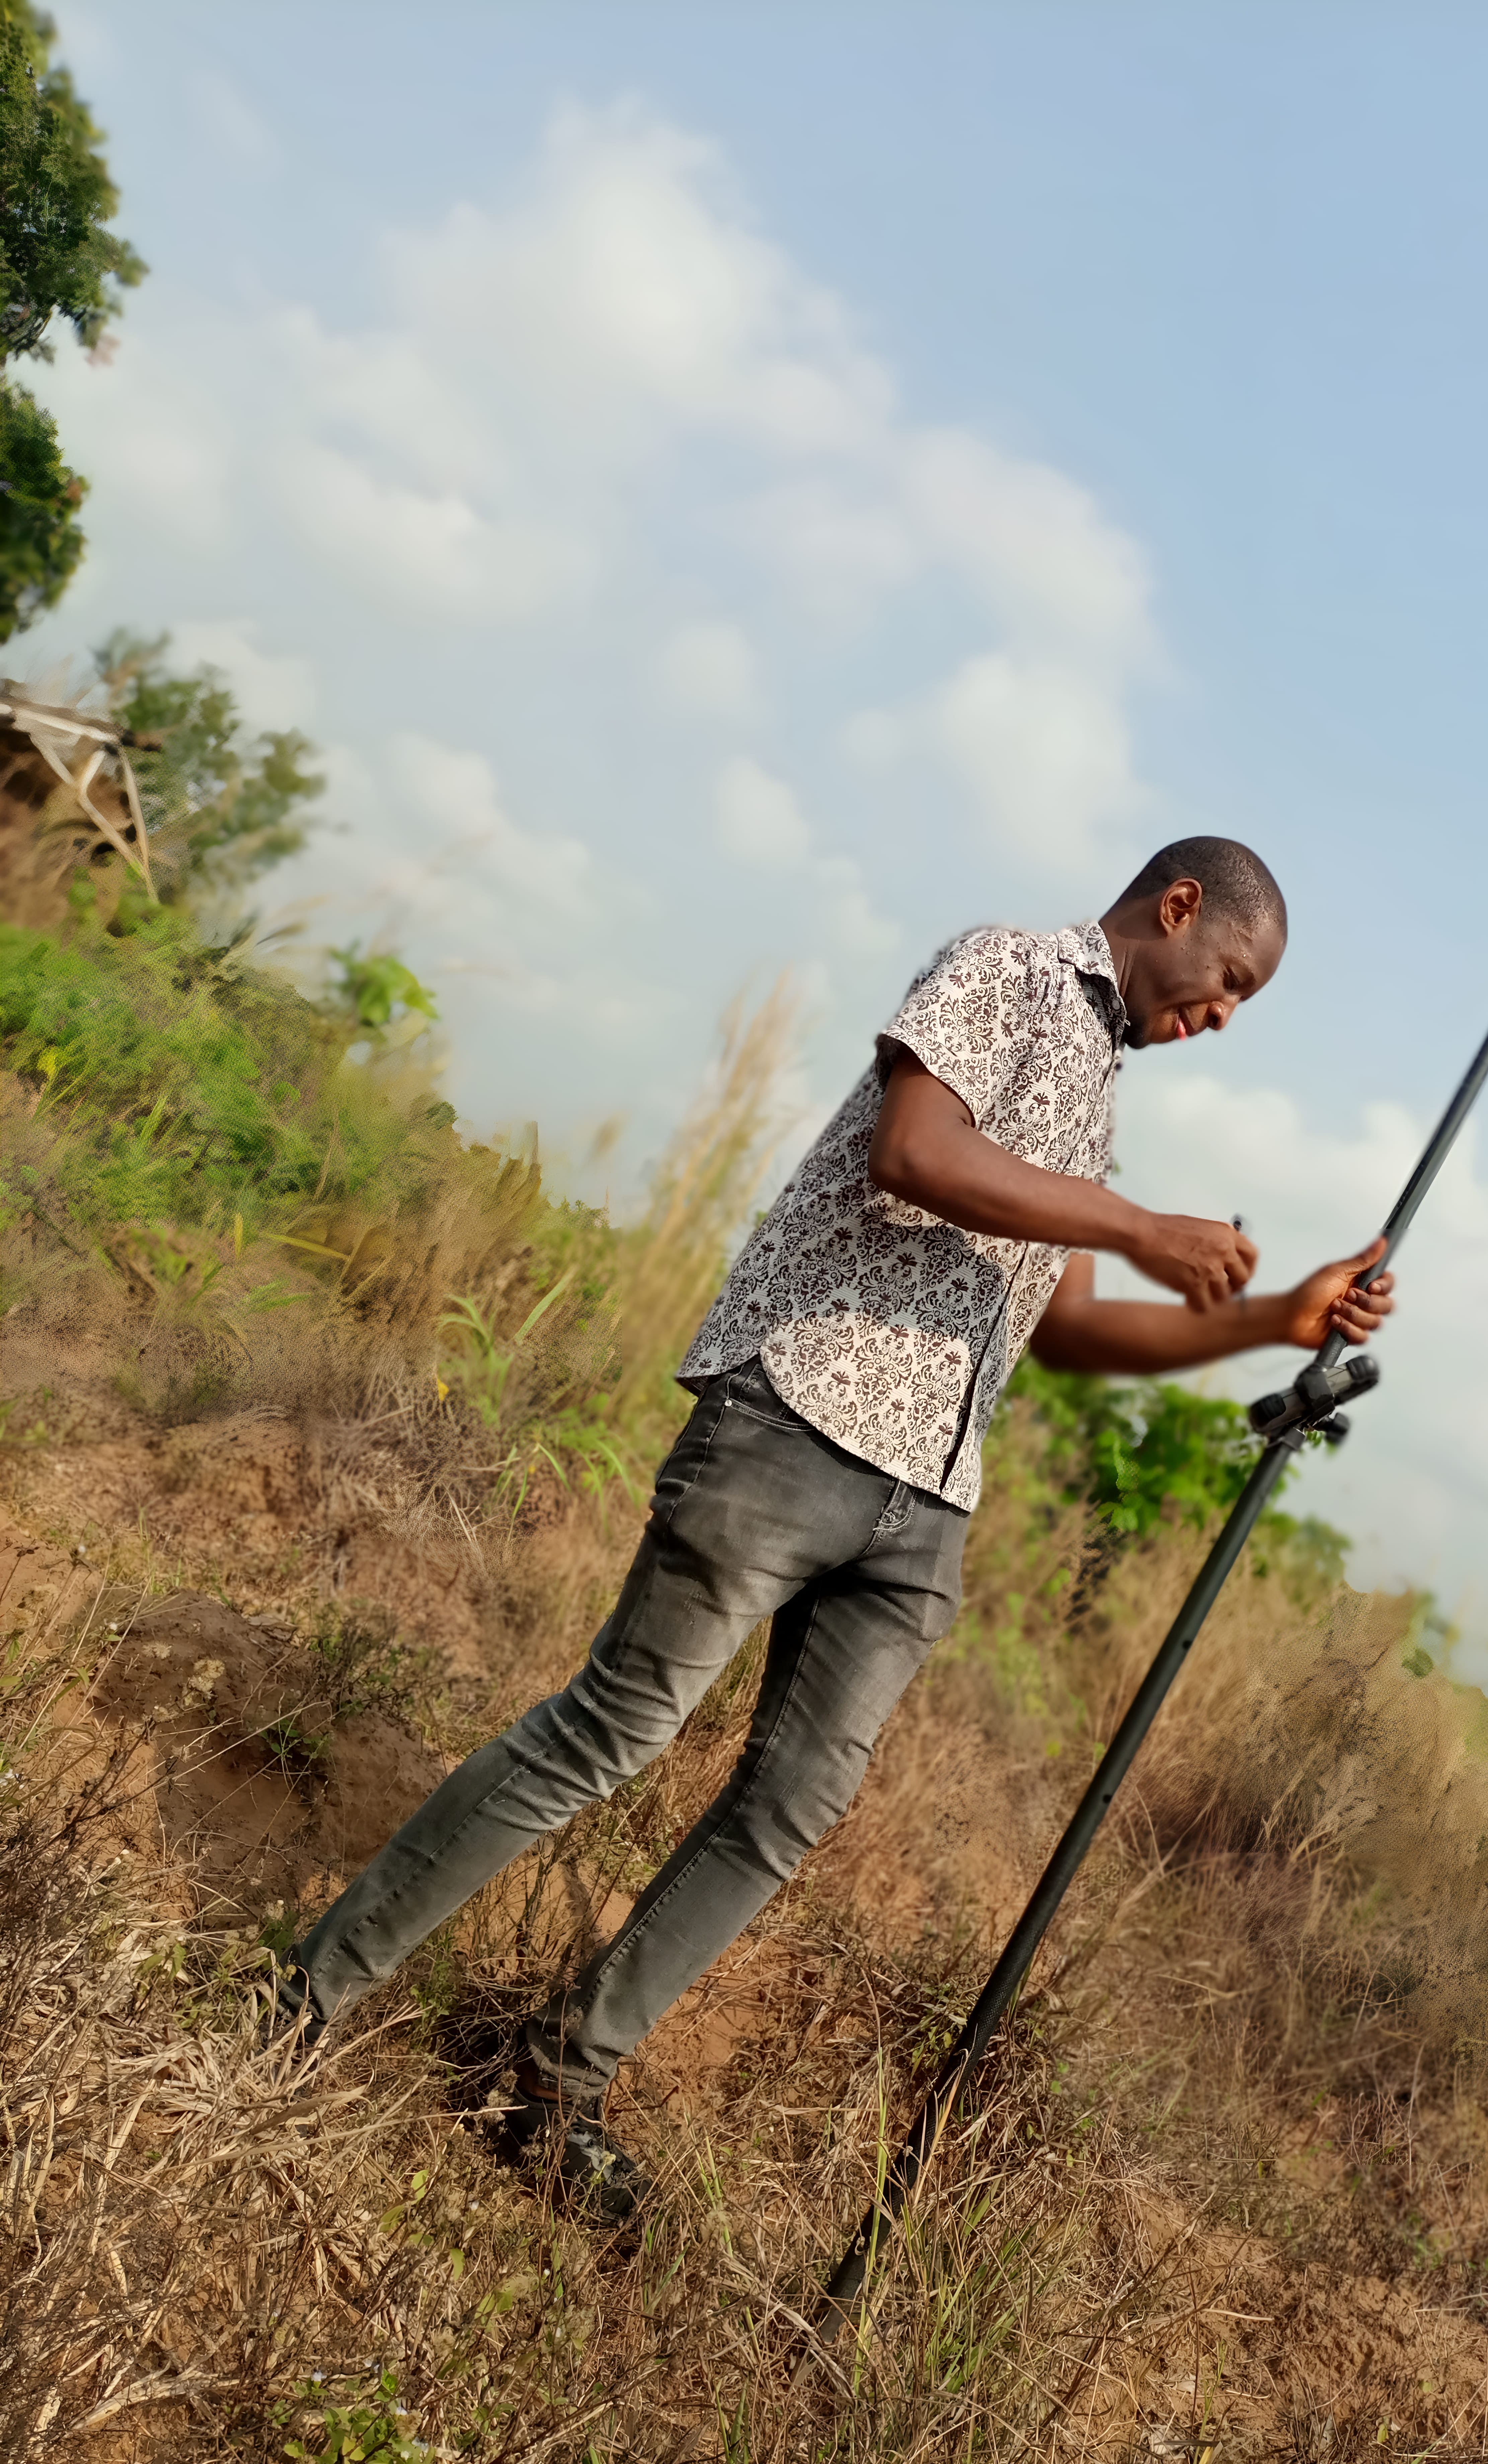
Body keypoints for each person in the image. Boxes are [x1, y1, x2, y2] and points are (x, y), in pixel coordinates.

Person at [270, 836, 1395, 2216]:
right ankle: (309, 1991)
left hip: (922, 1498)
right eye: (1226, 982)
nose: (1219, 1018)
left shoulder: (1096, 1095)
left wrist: (1274, 1318)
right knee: (616, 1728)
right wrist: (1131, 1219)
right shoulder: (1008, 968)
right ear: (1176, 910)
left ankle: (555, 2083)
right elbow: (914, 1150)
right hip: (795, 1414)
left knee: (790, 1803)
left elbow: (1080, 1327)